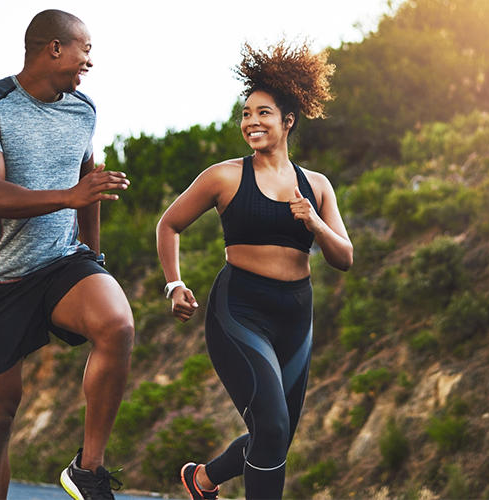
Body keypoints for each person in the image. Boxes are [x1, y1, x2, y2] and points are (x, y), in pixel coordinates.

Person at [156, 39, 353, 500]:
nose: (251, 122)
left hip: (296, 315)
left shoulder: (317, 186)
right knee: (271, 424)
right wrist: (174, 283)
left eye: (263, 113)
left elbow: (344, 257)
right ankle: (205, 481)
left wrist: (315, 223)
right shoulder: (224, 176)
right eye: (246, 114)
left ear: (288, 120)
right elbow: (170, 223)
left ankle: (202, 480)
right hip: (240, 309)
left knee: (275, 436)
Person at [0, 9, 134, 500]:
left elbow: (88, 187)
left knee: (117, 323)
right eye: (86, 49)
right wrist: (68, 197)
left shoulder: (84, 109)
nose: (90, 62)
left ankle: (88, 468)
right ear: (54, 47)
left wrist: (94, 259)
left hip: (62, 262)